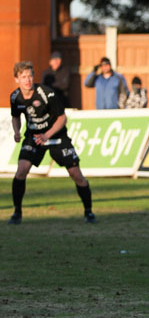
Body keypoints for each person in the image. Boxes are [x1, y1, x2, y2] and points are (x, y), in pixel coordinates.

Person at [9, 62, 96, 224]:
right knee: (21, 170)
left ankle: (89, 211)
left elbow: (62, 118)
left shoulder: (46, 94)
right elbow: (16, 116)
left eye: (30, 76)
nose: (27, 80)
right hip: (34, 136)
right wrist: (16, 131)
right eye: (23, 77)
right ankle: (17, 212)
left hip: (56, 135)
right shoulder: (15, 97)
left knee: (76, 174)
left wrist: (47, 135)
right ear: (16, 79)